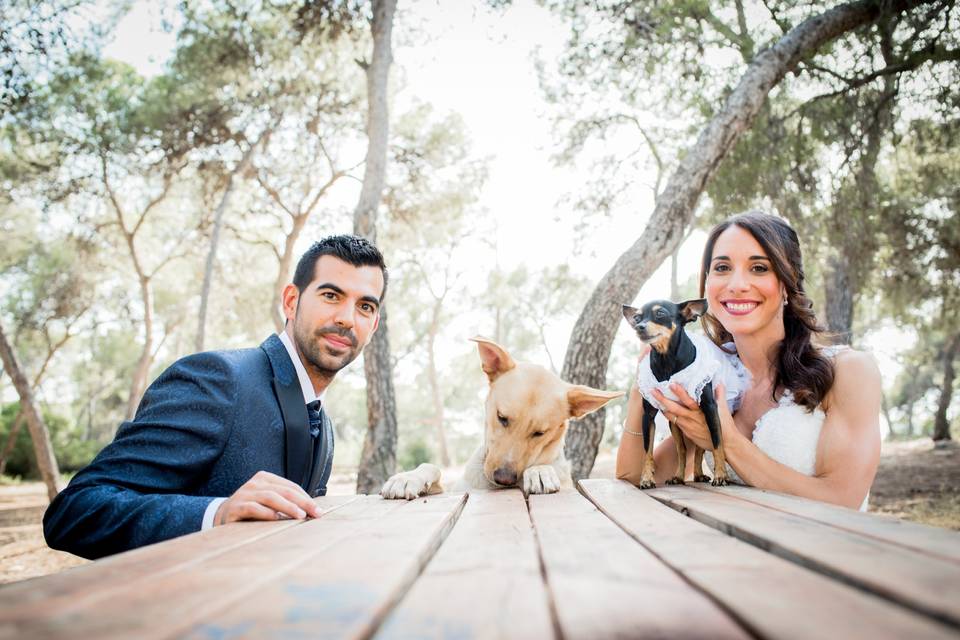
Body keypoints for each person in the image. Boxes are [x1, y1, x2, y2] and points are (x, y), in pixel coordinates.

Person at [44, 235, 386, 558]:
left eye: (365, 306)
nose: (346, 319)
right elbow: (75, 512)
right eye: (331, 296)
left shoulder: (323, 424)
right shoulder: (217, 379)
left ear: (373, 325)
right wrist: (216, 514)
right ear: (291, 302)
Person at [616, 211, 880, 510]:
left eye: (758, 268)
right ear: (708, 284)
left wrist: (726, 442)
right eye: (722, 267)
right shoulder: (707, 376)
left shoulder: (849, 371)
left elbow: (842, 501)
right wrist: (646, 382)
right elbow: (633, 480)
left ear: (786, 282)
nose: (737, 284)